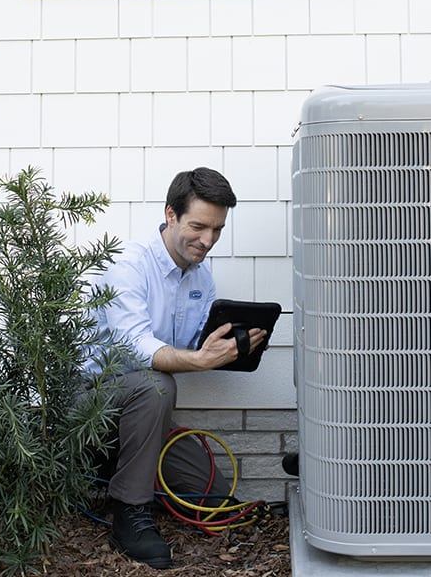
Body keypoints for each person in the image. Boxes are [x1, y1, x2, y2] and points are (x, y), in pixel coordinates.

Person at [86, 167, 268, 570]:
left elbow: (188, 350)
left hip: (141, 417)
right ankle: (129, 513)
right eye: (199, 226)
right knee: (155, 385)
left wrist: (230, 349)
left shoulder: (201, 277)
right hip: (88, 406)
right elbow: (138, 348)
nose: (208, 240)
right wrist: (200, 360)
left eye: (217, 229)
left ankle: (114, 465)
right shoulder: (128, 265)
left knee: (214, 498)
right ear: (171, 215)